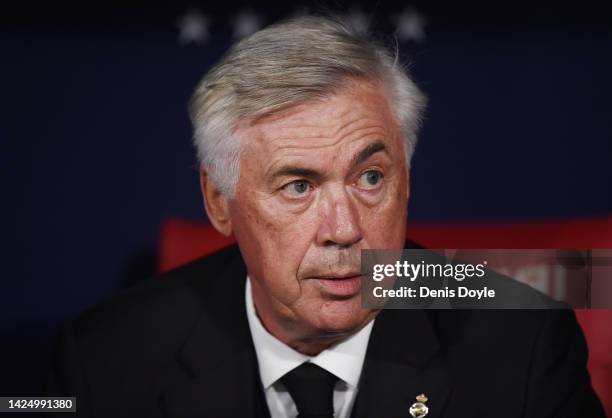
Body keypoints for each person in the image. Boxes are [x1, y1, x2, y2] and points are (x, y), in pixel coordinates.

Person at [47, 15, 605, 417]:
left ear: (406, 181)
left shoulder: (524, 341)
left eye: (370, 178)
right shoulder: (106, 358)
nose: (344, 230)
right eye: (297, 186)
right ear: (219, 200)